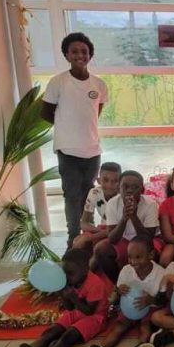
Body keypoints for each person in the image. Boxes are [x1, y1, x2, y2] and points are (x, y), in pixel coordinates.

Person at [0, 248, 112, 347]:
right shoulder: (70, 281)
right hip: (77, 311)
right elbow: (70, 308)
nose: (66, 277)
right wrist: (62, 295)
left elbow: (89, 311)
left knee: (68, 336)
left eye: (70, 273)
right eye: (64, 273)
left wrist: (73, 297)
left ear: (85, 269)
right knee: (51, 331)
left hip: (95, 317)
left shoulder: (95, 284)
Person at [41, 32, 109, 249]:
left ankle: (88, 235)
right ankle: (72, 238)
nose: (80, 55)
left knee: (90, 194)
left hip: (92, 150)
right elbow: (46, 113)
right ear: (67, 55)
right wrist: (66, 127)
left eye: (84, 51)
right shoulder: (58, 82)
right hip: (67, 150)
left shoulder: (99, 84)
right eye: (75, 51)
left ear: (90, 55)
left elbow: (95, 112)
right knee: (72, 196)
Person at [72, 235, 165, 347]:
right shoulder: (126, 271)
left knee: (145, 327)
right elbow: (117, 292)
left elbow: (163, 299)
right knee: (119, 326)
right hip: (128, 308)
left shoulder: (160, 273)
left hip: (148, 308)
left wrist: (151, 299)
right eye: (130, 257)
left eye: (138, 257)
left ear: (151, 255)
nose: (133, 261)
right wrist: (119, 291)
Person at [93, 170, 161, 267]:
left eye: (135, 187)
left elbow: (148, 239)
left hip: (147, 241)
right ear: (118, 189)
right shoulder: (112, 203)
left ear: (142, 190)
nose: (129, 190)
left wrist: (134, 216)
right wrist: (124, 218)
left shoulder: (151, 204)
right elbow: (112, 239)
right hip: (123, 239)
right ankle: (117, 276)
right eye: (125, 187)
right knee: (101, 250)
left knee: (152, 252)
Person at [72, 161, 121, 250]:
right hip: (104, 229)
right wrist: (100, 231)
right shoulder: (95, 193)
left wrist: (90, 237)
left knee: (96, 246)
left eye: (115, 181)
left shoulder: (122, 196)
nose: (110, 185)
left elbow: (117, 230)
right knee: (77, 242)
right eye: (105, 180)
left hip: (120, 232)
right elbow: (84, 223)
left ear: (120, 182)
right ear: (98, 180)